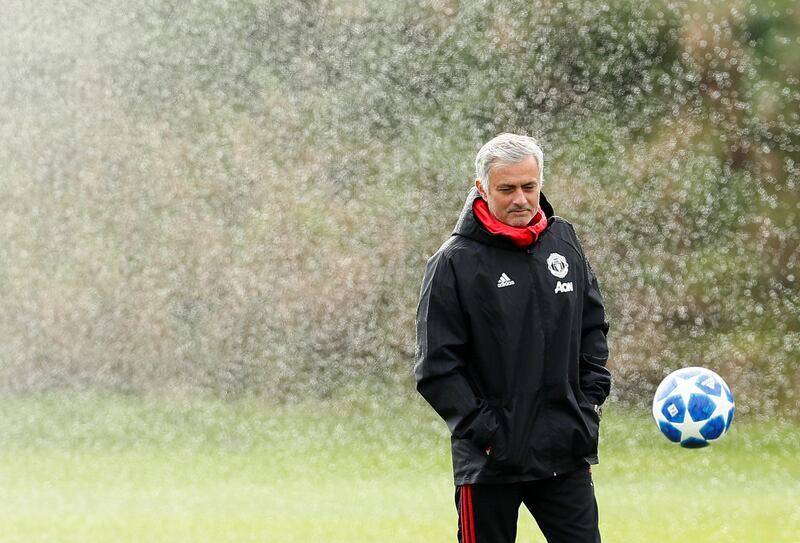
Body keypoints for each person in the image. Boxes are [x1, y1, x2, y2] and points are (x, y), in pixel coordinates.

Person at [415, 133, 611, 543]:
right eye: (507, 189)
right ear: (481, 189)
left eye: (529, 186)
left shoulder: (564, 242)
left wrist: (586, 403)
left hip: (565, 452)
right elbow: (437, 368)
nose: (521, 199)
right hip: (491, 463)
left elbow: (592, 328)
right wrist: (489, 435)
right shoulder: (453, 263)